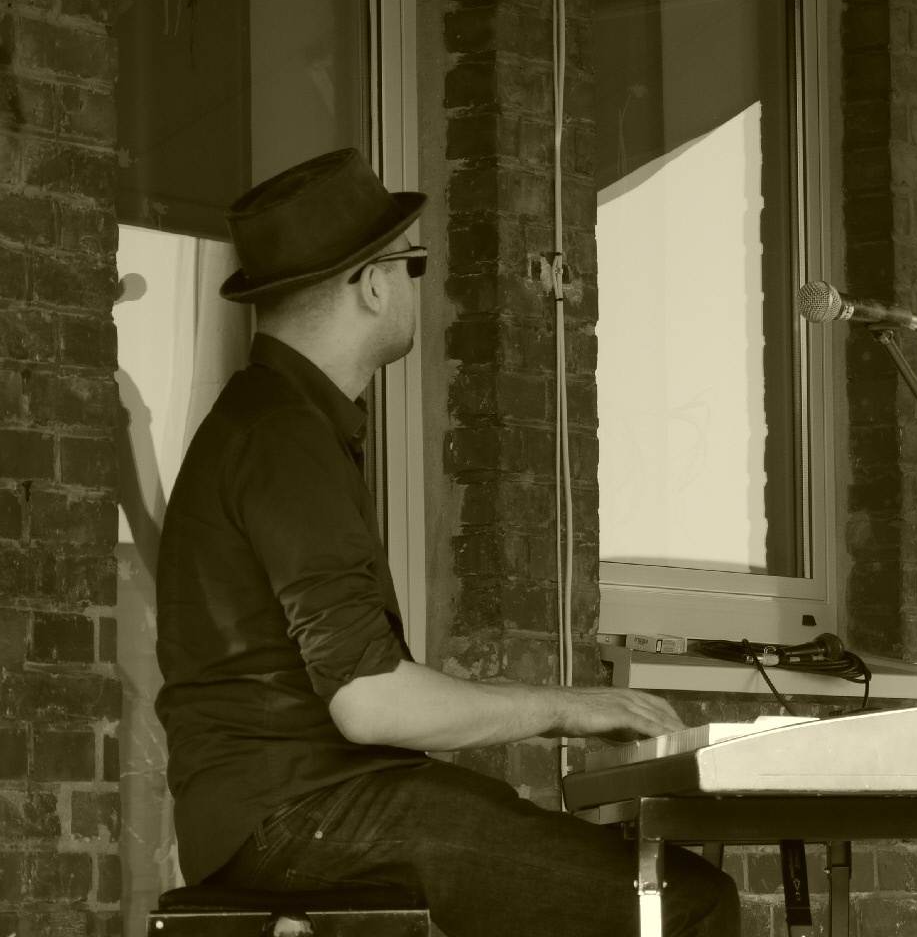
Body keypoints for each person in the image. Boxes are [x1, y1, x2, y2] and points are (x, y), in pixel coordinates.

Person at [155, 149, 738, 937]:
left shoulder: (272, 423)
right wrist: (573, 708)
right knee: (685, 903)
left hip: (282, 811)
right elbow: (371, 701)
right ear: (372, 284)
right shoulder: (283, 439)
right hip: (301, 811)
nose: (415, 285)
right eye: (414, 263)